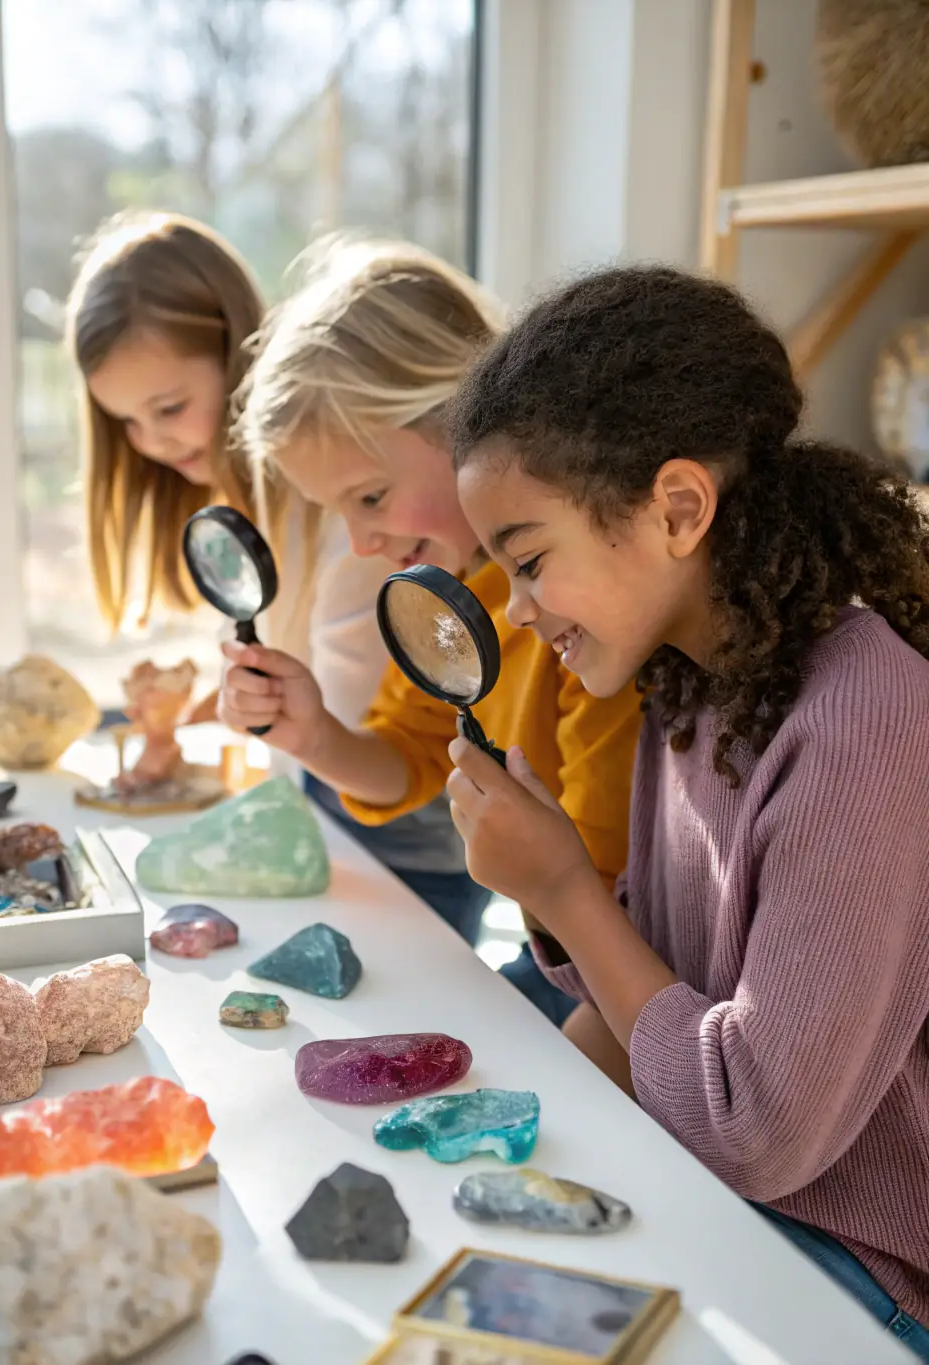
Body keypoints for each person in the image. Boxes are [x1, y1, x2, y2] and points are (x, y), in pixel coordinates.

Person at [444, 263, 929, 1352]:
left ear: (675, 507)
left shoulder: (868, 721)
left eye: (528, 562)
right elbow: (653, 989)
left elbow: (758, 1132)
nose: (517, 613)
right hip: (719, 1188)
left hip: (859, 1267)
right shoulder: (686, 679)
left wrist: (565, 888)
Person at [218, 236, 643, 1022]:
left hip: (618, 965)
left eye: (371, 497)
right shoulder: (459, 593)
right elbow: (408, 755)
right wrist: (312, 734)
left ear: (465, 420)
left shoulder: (583, 618)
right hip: (562, 947)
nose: (359, 543)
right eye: (338, 510)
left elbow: (609, 903)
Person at [66, 211, 484, 930]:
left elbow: (365, 724)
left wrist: (292, 727)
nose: (152, 441)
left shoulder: (365, 518)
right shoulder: (338, 494)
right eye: (127, 423)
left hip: (400, 838)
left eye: (168, 407)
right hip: (350, 795)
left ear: (232, 356)